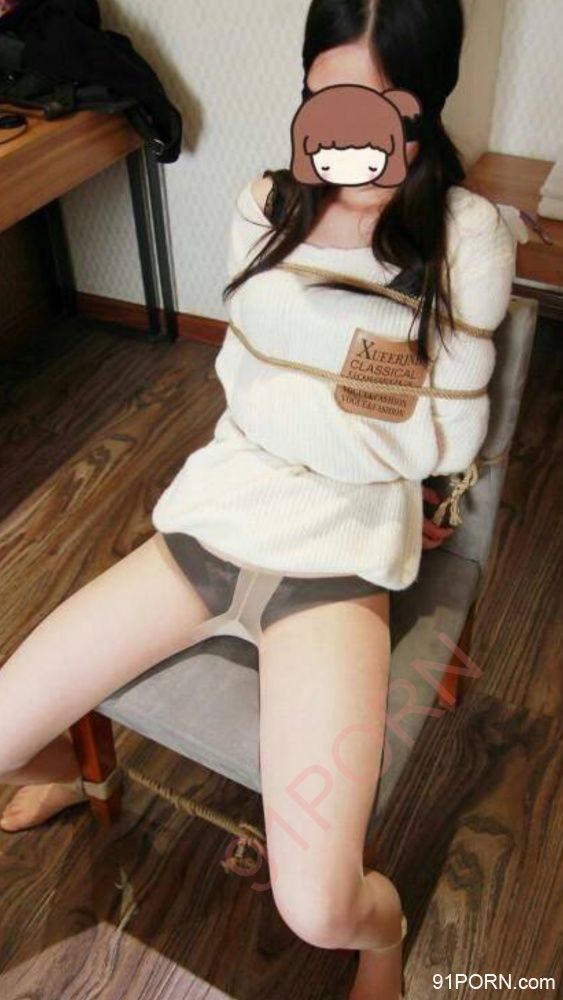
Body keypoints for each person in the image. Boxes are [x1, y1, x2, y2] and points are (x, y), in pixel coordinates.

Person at [0, 1, 517, 997]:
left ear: (424, 105)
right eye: (325, 96)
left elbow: (442, 436)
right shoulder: (264, 203)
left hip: (337, 562)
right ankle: (84, 770)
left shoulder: (465, 235)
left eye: (379, 104)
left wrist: (335, 378)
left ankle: (386, 933)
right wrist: (371, 370)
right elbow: (249, 382)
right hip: (214, 521)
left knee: (318, 908)